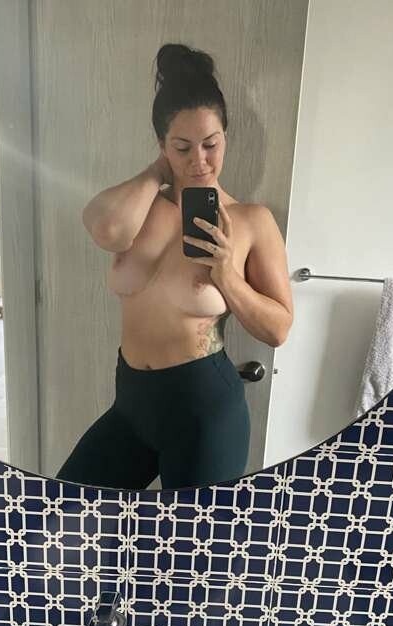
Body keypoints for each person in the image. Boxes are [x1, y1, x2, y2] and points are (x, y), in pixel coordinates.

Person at [56, 43, 293, 491]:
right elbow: (106, 230)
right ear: (162, 146)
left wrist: (226, 275)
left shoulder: (251, 221)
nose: (199, 160)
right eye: (182, 147)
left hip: (204, 411)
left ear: (226, 137)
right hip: (131, 404)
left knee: (189, 537)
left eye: (211, 144)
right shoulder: (140, 209)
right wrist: (155, 174)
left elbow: (278, 329)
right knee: (63, 511)